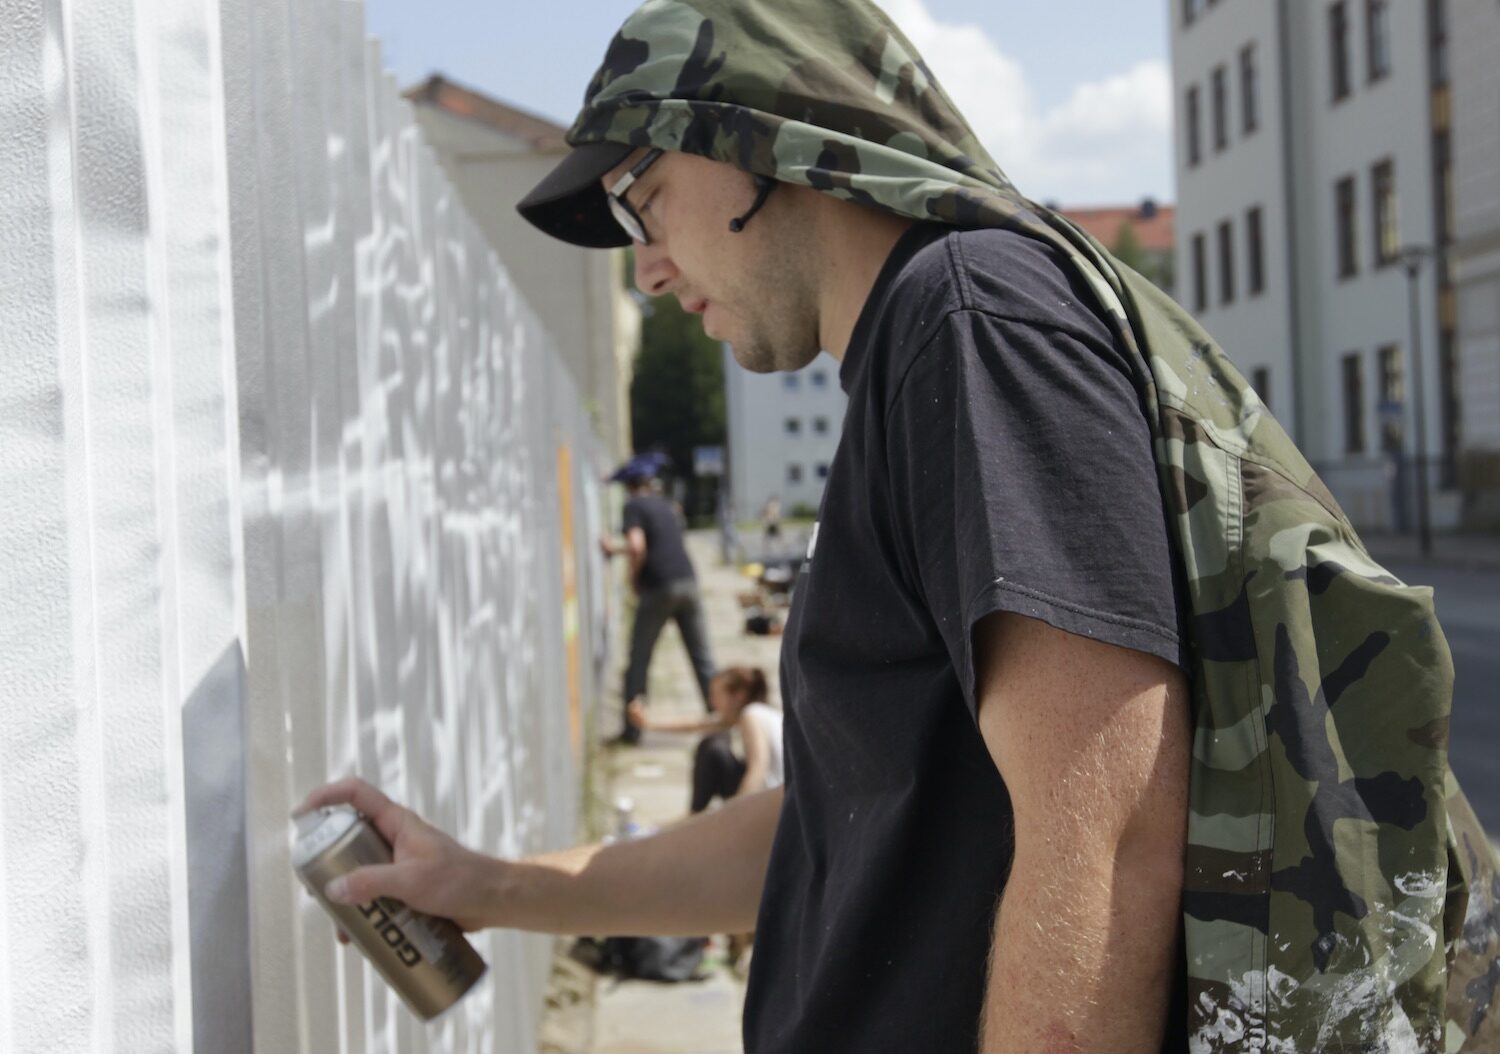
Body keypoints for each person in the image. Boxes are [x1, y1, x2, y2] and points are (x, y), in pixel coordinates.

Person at [301, 2, 1500, 1050]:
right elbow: (850, 824)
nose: (647, 268)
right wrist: (492, 886)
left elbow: (1109, 831)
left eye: (643, 196)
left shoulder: (969, 318)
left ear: (754, 138)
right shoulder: (923, 353)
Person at [599, 454, 716, 743]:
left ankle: (632, 730)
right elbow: (658, 542)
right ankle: (720, 721)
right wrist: (616, 549)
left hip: (659, 588)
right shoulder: (666, 505)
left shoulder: (633, 506)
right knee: (702, 658)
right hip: (688, 582)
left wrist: (632, 579)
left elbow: (638, 545)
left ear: (628, 486)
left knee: (639, 659)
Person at [627, 665, 783, 813]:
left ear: (739, 695)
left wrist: (738, 810)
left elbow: (758, 767)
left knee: (713, 748)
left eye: (716, 695)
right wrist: (648, 724)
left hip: (772, 798)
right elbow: (694, 724)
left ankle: (695, 814)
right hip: (775, 794)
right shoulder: (756, 713)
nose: (712, 702)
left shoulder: (751, 714)